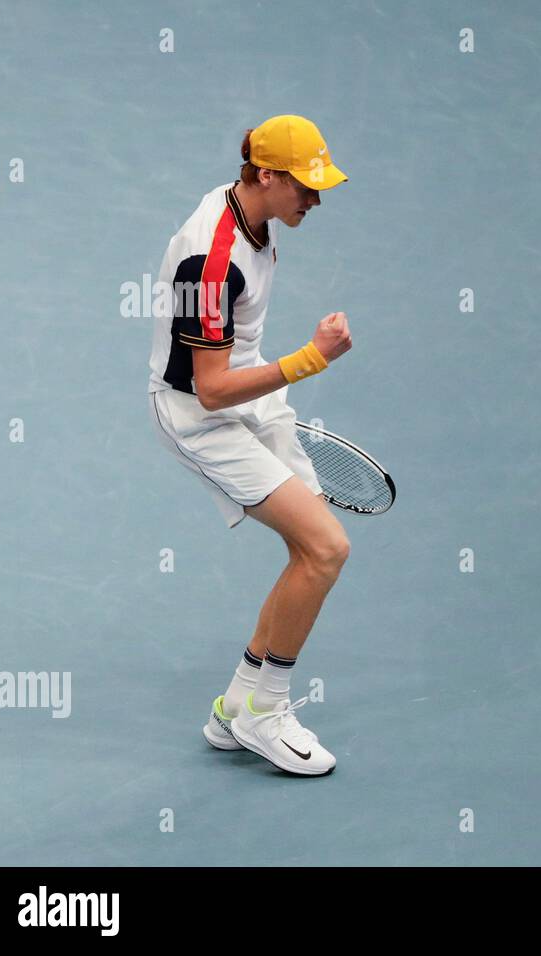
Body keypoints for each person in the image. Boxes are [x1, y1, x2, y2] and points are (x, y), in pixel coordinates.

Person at [147, 114, 352, 776]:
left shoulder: (254, 214)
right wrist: (310, 361)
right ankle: (267, 712)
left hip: (252, 396)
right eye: (305, 187)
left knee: (307, 549)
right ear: (267, 176)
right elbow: (208, 391)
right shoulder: (209, 260)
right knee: (325, 549)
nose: (315, 200)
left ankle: (237, 705)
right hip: (201, 415)